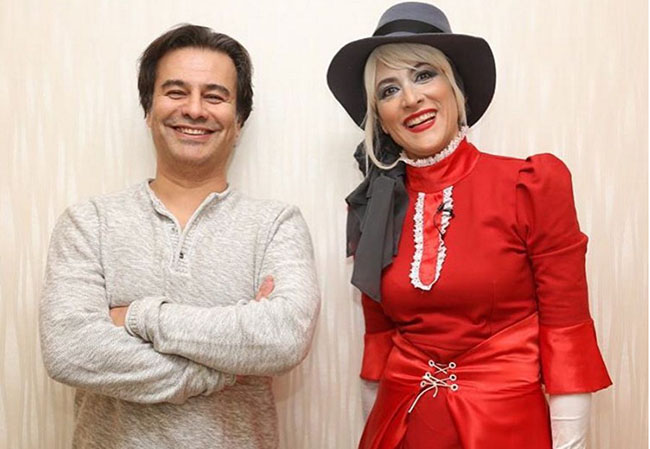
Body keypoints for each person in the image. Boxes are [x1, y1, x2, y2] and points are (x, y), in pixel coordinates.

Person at [326, 3, 611, 449]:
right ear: (378, 116)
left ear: (455, 87)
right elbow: (379, 344)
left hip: (506, 429)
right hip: (402, 429)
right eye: (389, 89)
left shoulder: (530, 184)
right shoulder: (371, 208)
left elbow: (566, 332)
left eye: (424, 75)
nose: (410, 99)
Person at [39, 24, 320, 449]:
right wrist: (219, 368)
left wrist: (138, 317)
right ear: (149, 110)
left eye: (215, 96)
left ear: (239, 121)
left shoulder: (277, 224)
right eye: (175, 92)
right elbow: (70, 350)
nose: (194, 109)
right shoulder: (88, 222)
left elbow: (283, 339)